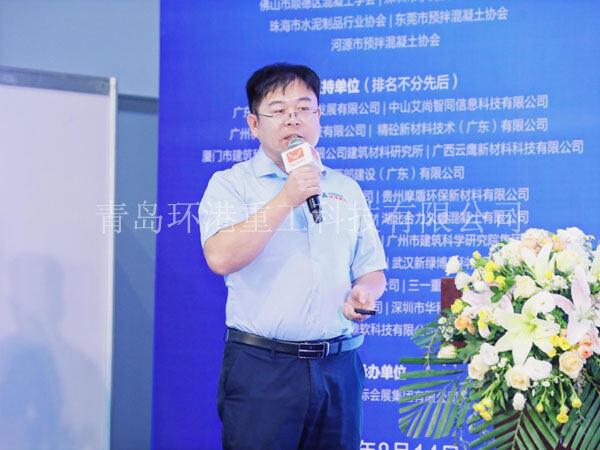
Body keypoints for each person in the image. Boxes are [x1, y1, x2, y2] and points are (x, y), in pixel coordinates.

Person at [199, 63, 387, 450]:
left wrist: (364, 293)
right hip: (264, 368)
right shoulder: (231, 185)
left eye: (303, 108)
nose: (293, 119)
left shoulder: (345, 188)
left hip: (338, 366)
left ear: (319, 117)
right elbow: (220, 257)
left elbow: (371, 270)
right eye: (279, 110)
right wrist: (287, 196)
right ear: (254, 124)